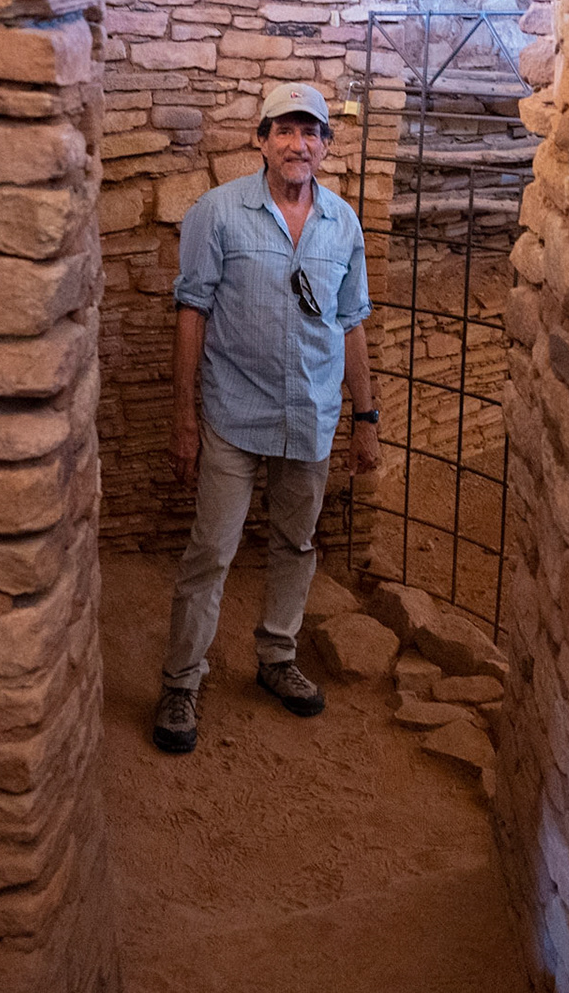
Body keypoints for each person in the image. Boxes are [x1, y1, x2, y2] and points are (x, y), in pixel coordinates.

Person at [154, 82, 381, 754]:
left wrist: (364, 417)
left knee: (295, 546)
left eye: (311, 132)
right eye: (284, 129)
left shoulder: (343, 223)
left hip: (308, 416)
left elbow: (351, 324)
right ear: (261, 139)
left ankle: (277, 656)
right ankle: (181, 680)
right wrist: (183, 418)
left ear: (326, 147)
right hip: (232, 413)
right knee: (211, 553)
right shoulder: (217, 213)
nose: (297, 143)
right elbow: (191, 310)